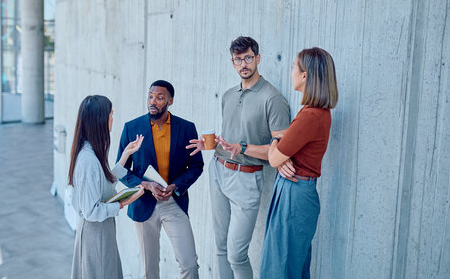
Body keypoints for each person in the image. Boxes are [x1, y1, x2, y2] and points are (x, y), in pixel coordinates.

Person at [217, 47, 338, 278]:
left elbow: (274, 157)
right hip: (295, 190)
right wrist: (281, 152)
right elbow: (282, 155)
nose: (291, 71)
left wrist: (275, 141)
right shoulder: (316, 112)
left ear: (305, 76)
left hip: (294, 194)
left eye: (294, 66)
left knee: (279, 267)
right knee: (291, 266)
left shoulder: (310, 115)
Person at [187, 37, 290, 279]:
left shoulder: (272, 99)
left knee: (236, 254)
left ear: (258, 58)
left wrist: (242, 148)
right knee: (221, 247)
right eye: (238, 59)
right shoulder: (228, 95)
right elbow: (232, 138)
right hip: (219, 171)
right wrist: (210, 146)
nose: (243, 63)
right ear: (232, 63)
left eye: (248, 58)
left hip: (247, 179)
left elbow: (281, 151)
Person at [117, 80, 204, 279]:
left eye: (159, 97)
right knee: (150, 270)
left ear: (170, 101)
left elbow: (197, 166)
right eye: (150, 96)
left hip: (174, 202)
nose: (153, 101)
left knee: (190, 265)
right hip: (144, 204)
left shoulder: (186, 128)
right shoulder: (132, 127)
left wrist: (175, 186)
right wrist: (146, 185)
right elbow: (120, 170)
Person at [68, 95, 145, 279]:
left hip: (101, 232)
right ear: (100, 120)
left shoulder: (92, 153)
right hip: (96, 235)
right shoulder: (88, 160)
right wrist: (123, 203)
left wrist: (126, 154)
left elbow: (104, 183)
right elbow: (91, 211)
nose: (113, 118)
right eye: (111, 114)